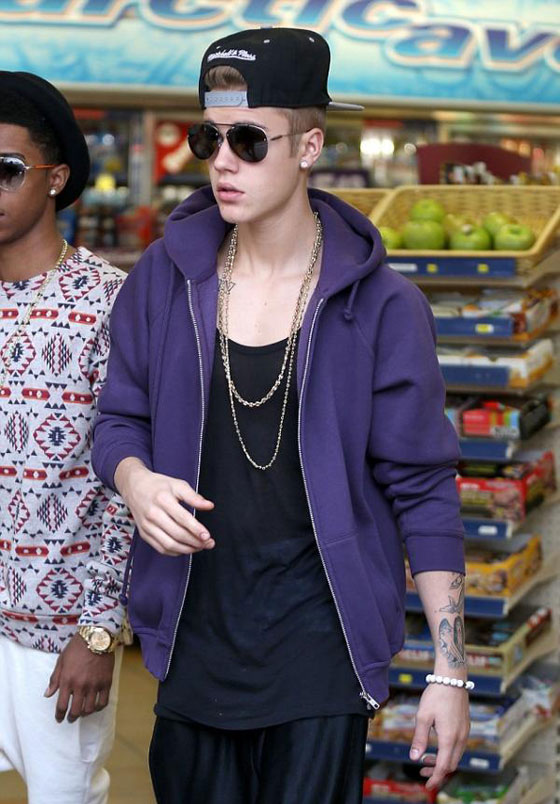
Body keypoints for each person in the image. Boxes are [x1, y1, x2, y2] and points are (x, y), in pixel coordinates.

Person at [92, 27, 469, 804]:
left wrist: (450, 668)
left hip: (321, 648)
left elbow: (425, 489)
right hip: (193, 639)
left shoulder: (384, 306)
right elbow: (118, 420)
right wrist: (135, 481)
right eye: (209, 138)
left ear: (310, 147)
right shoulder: (162, 279)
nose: (223, 161)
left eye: (249, 140)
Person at [0, 72, 133, 804]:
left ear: (54, 179)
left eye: (6, 170)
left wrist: (100, 631)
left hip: (56, 640)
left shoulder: (108, 302)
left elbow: (128, 480)